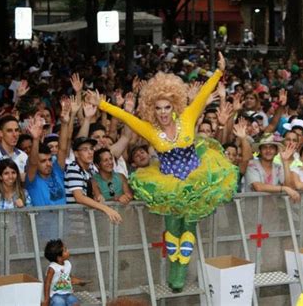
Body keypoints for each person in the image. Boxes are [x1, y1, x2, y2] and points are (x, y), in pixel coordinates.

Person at [88, 52, 238, 291]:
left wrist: (219, 71)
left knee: (188, 229)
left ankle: (180, 272)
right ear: (152, 108)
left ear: (174, 105)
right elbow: (125, 115)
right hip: (166, 184)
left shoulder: (188, 117)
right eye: (158, 108)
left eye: (167, 107)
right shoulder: (149, 129)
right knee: (172, 229)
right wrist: (102, 105)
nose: (163, 112)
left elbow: (200, 97)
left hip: (195, 180)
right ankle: (175, 272)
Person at [42, 239, 85, 306]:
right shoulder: (52, 268)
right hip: (55, 295)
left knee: (75, 302)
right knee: (59, 303)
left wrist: (79, 282)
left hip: (68, 294)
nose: (68, 251)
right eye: (65, 250)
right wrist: (46, 299)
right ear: (59, 258)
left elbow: (69, 277)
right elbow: (47, 283)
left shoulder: (68, 264)